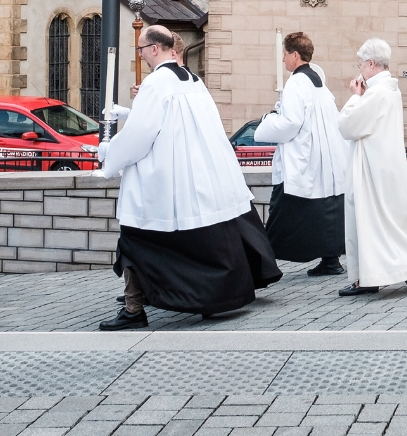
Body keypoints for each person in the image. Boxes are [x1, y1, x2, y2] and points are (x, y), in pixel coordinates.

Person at [97, 25, 281, 330]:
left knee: (135, 237)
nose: (141, 56)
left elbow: (140, 137)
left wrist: (109, 153)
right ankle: (208, 297)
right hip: (201, 176)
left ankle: (133, 309)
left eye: (141, 50)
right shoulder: (194, 81)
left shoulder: (156, 85)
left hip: (167, 182)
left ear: (155, 49)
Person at [336, 38, 407, 296]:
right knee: (388, 222)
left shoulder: (375, 93)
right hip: (384, 164)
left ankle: (372, 276)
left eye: (360, 64)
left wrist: (355, 98)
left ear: (371, 64)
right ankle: (394, 270)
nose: (359, 70)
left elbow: (347, 126)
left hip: (370, 169)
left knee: (371, 223)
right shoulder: (389, 89)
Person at [257, 32, 349, 276]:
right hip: (326, 159)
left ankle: (263, 266)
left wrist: (267, 121)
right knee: (326, 211)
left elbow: (290, 123)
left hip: (303, 161)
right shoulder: (318, 82)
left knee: (281, 215)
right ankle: (331, 260)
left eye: (285, 54)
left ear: (295, 55)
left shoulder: (297, 83)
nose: (284, 59)